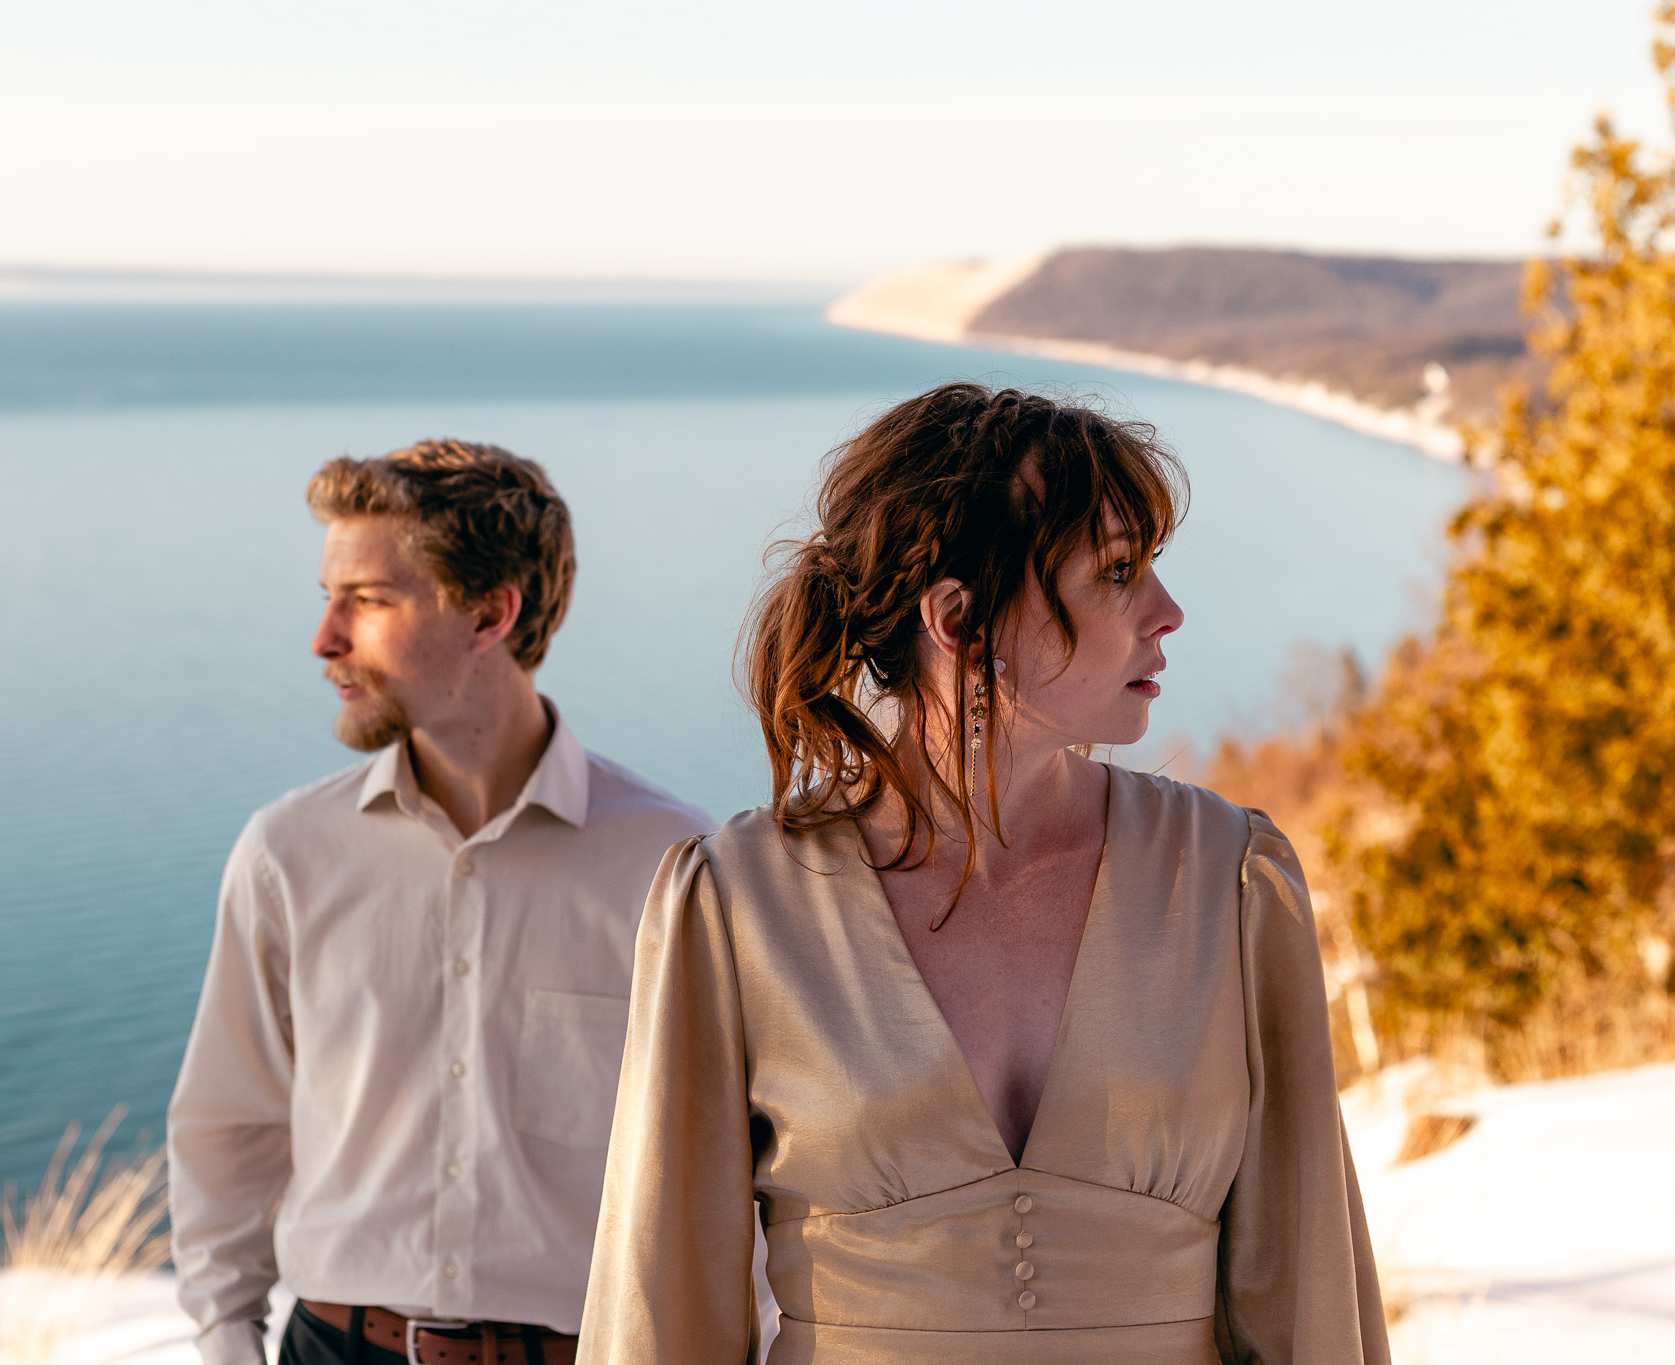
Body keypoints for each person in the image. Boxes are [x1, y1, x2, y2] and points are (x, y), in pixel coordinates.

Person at [580, 383, 1390, 1363]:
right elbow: (660, 1322)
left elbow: (1312, 1302)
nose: (1166, 613)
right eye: (1118, 573)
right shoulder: (737, 904)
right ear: (959, 619)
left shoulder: (1226, 881)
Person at [168, 440, 713, 1365]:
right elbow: (230, 1121)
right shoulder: (287, 854)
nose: (325, 638)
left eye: (369, 601)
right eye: (328, 596)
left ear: (490, 613)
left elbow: (727, 1162)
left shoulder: (670, 863)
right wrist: (225, 1334)